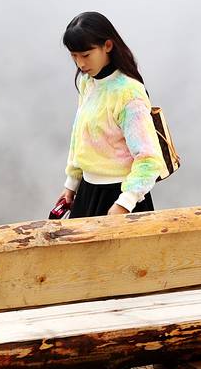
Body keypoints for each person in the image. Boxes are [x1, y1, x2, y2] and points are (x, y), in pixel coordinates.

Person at [56, 11, 164, 218]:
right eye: (74, 56)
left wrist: (124, 203)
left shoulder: (129, 93)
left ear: (107, 46)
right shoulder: (88, 82)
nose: (80, 64)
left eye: (85, 55)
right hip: (87, 192)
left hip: (120, 196)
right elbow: (80, 136)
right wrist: (71, 184)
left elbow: (149, 159)